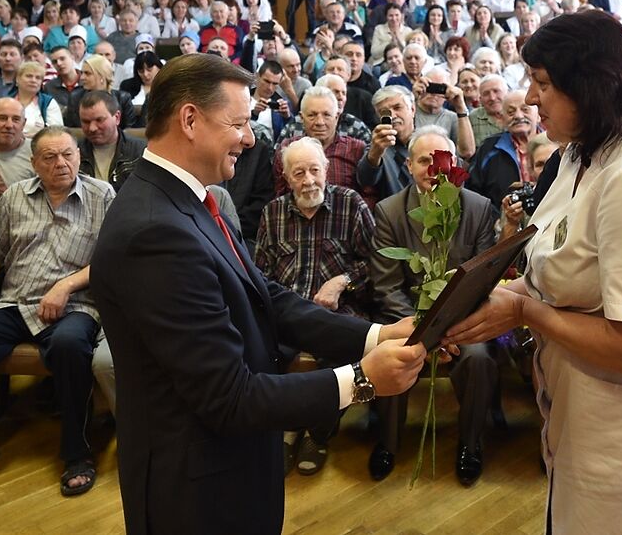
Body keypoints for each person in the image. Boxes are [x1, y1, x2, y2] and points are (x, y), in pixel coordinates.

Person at [91, 53, 426, 535]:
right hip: (197, 491)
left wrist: (376, 334)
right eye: (239, 123)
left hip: (234, 461)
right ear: (190, 119)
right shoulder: (153, 232)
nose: (249, 139)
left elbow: (265, 296)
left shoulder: (192, 198)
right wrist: (362, 381)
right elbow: (228, 396)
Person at [446, 10, 622, 533]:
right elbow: (554, 262)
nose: (530, 99)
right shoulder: (581, 156)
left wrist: (524, 311)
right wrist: (469, 301)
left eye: (543, 84)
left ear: (588, 84)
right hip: (588, 422)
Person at [0, 128, 114, 494]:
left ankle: (77, 452)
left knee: (70, 347)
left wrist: (65, 285)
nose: (60, 163)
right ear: (34, 163)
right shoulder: (16, 195)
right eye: (49, 157)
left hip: (75, 304)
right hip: (16, 301)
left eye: (67, 154)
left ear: (79, 156)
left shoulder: (102, 196)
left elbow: (112, 261)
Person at [370, 128, 498, 485]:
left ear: (454, 164)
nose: (433, 168)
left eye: (441, 159)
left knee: (478, 358)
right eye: (425, 160)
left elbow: (481, 283)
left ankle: (470, 445)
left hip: (462, 322)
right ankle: (388, 443)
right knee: (394, 352)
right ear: (409, 165)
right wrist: (425, 335)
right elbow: (387, 286)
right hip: (406, 320)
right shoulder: (390, 212)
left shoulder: (478, 208)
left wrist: (447, 332)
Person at [253, 138, 378, 476]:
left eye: (314, 170)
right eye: (299, 173)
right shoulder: (273, 213)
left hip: (338, 313)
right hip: (287, 314)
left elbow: (376, 263)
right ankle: (286, 428)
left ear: (326, 170)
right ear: (286, 177)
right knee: (260, 353)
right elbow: (260, 275)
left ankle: (316, 432)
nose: (308, 180)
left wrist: (342, 282)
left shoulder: (351, 205)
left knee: (341, 361)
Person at [469, 89, 540, 208]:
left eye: (525, 109)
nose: (518, 116)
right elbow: (474, 192)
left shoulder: (554, 145)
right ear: (502, 119)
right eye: (511, 112)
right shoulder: (489, 149)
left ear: (538, 115)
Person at [76, 90, 145, 192]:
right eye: (86, 122)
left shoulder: (141, 152)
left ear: (117, 118)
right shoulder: (73, 153)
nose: (92, 128)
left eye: (99, 120)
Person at [357, 85, 416, 200]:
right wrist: (375, 152)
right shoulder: (377, 146)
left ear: (412, 110)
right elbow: (366, 180)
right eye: (385, 113)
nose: (393, 116)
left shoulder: (430, 141)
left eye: (397, 108)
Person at [13, 61, 63, 137]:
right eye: (29, 76)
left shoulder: (48, 103)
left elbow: (58, 132)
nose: (33, 80)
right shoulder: (6, 102)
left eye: (38, 78)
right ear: (17, 79)